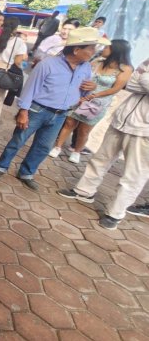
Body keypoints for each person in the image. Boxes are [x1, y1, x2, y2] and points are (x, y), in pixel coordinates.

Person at [0, 28, 107, 191]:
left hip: (60, 114)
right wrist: (23, 112)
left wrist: (91, 88)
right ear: (77, 50)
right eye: (91, 48)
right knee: (18, 140)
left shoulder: (86, 68)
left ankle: (26, 173)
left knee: (44, 147)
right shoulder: (48, 64)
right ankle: (1, 166)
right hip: (37, 110)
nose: (94, 52)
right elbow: (30, 88)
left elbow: (82, 91)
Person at [56, 57, 149, 230]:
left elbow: (141, 81)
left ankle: (115, 213)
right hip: (122, 120)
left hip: (144, 131)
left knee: (133, 175)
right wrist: (141, 80)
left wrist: (142, 78)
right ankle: (84, 191)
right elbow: (129, 84)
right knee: (100, 159)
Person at [48, 40, 133, 163]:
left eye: (107, 47)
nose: (103, 49)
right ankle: (57, 147)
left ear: (115, 50)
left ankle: (77, 151)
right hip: (81, 98)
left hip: (98, 103)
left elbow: (115, 89)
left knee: (84, 129)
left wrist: (95, 95)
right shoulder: (98, 61)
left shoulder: (125, 69)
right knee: (69, 123)